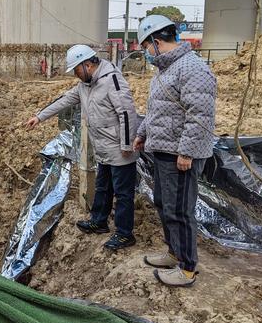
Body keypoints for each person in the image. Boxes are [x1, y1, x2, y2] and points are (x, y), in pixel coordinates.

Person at [26, 45, 139, 250]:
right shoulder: (85, 86)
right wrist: (39, 117)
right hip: (103, 147)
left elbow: (126, 113)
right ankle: (99, 221)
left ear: (87, 64)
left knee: (123, 193)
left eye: (77, 70)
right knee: (103, 186)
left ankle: (124, 234)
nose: (76, 75)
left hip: (119, 147)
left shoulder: (111, 80)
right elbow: (65, 101)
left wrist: (127, 144)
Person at [133, 15, 216, 288]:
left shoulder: (192, 68)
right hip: (164, 149)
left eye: (145, 46)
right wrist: (143, 134)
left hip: (180, 155)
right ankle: (173, 252)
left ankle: (187, 268)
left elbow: (200, 115)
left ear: (156, 42)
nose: (145, 52)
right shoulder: (165, 71)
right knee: (165, 205)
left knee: (180, 210)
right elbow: (157, 109)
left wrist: (187, 152)